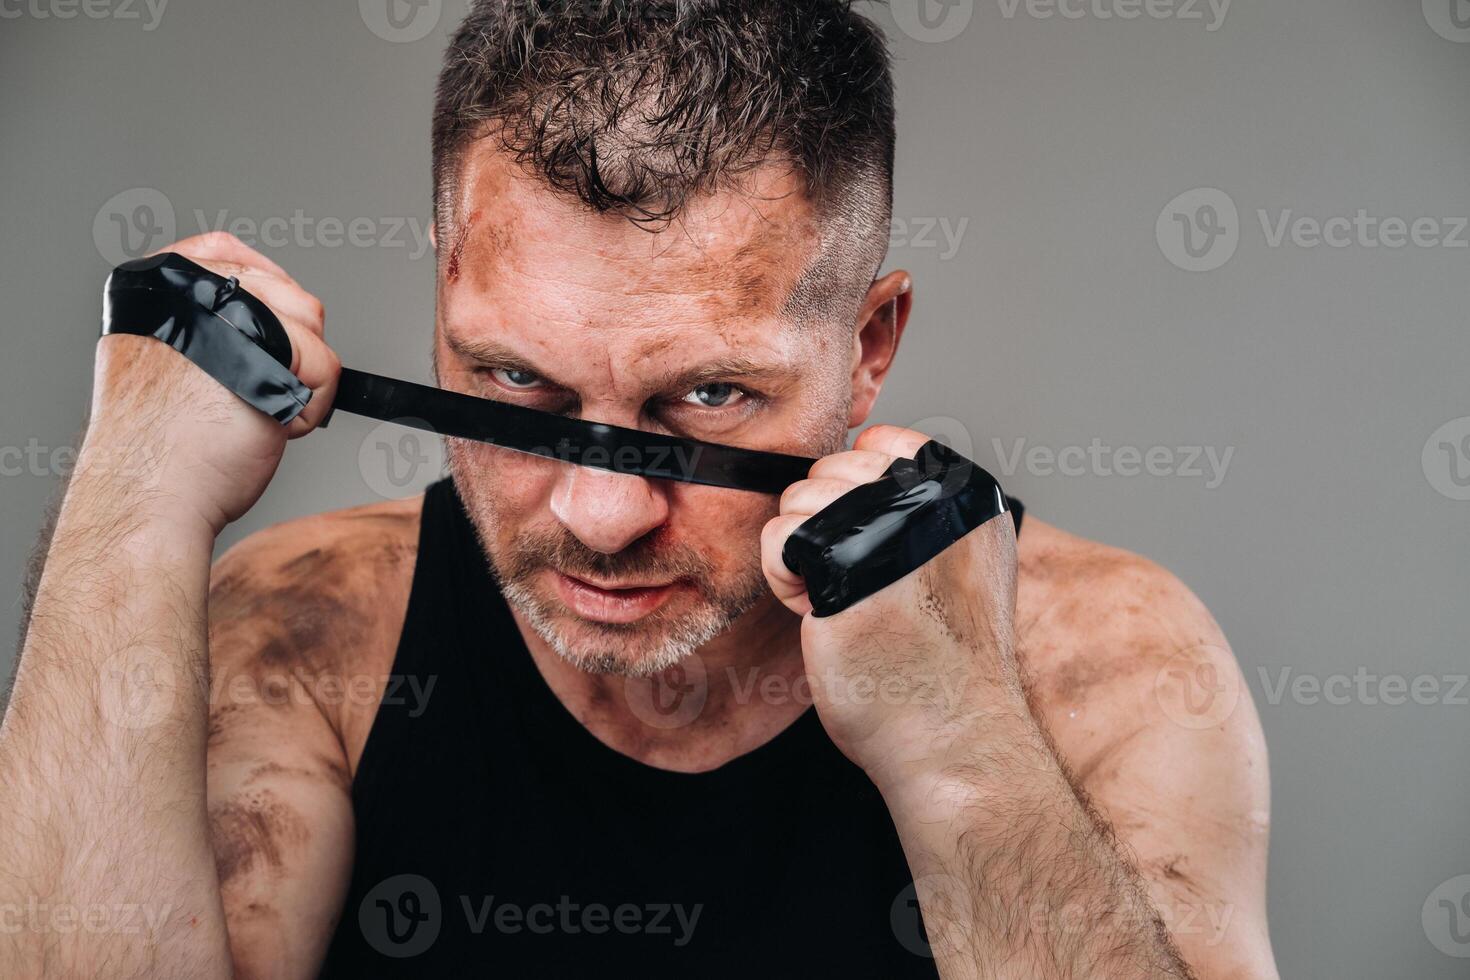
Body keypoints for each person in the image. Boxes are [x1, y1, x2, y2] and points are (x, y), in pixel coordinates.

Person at [0, 2, 1278, 977]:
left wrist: (961, 754)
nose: (601, 518)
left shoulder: (1104, 658)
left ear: (868, 347)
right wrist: (131, 511)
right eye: (512, 380)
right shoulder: (307, 630)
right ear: (445, 297)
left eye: (709, 398)